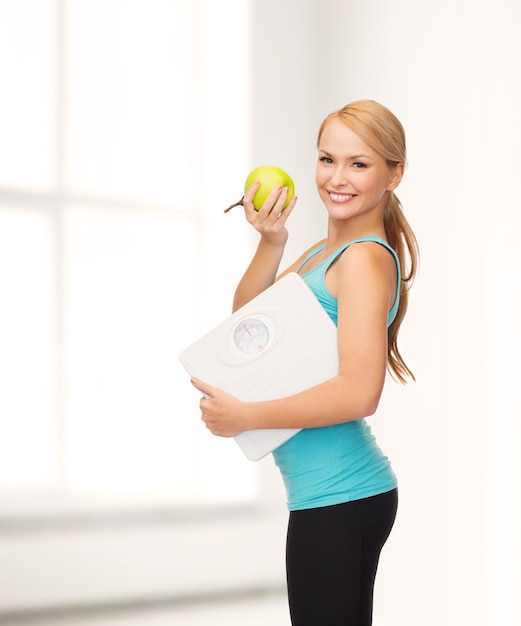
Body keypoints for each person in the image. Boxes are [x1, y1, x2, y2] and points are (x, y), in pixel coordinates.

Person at [191, 99, 419, 626]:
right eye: (326, 159)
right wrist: (272, 242)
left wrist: (247, 416)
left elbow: (359, 392)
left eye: (358, 164)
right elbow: (250, 325)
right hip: (327, 497)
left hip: (342, 496)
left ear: (394, 174)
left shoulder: (363, 259)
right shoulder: (324, 253)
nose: (337, 177)